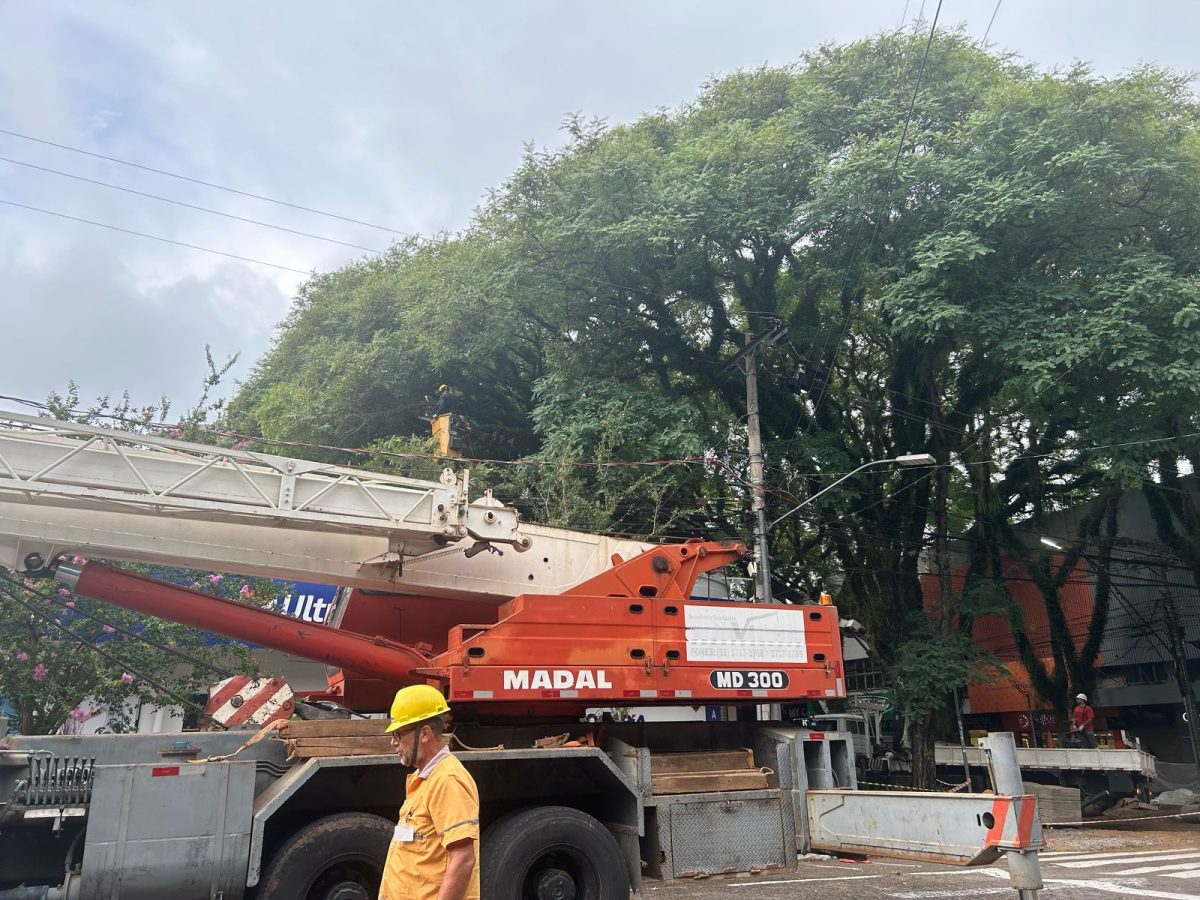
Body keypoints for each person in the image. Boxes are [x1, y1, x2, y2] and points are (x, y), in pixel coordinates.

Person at [379, 684, 480, 900]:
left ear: (424, 734)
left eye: (399, 734)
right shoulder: (424, 779)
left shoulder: (447, 779)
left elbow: (463, 859)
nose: (393, 742)